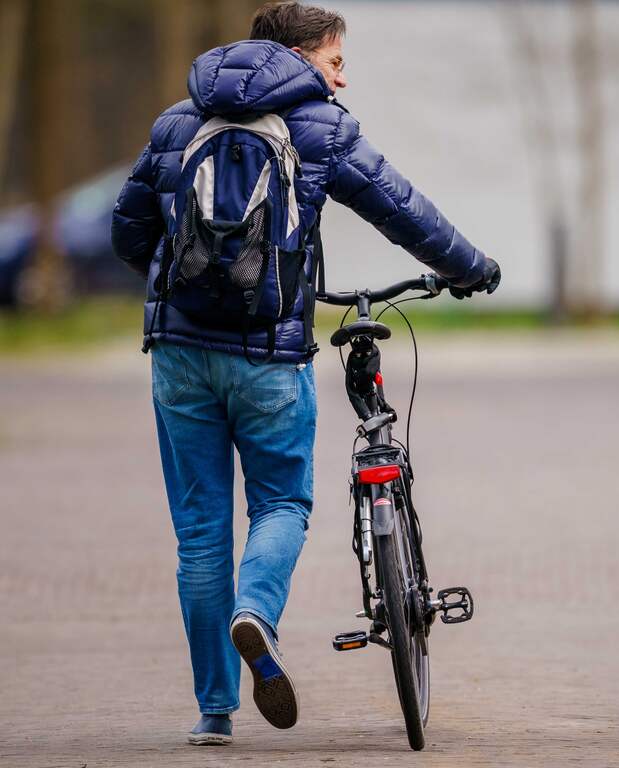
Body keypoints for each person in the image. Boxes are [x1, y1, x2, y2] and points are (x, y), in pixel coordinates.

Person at [111, 1, 500, 746]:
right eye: (335, 59)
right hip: (269, 355)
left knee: (199, 535)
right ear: (295, 56)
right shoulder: (320, 125)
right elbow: (401, 208)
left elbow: (129, 228)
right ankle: (256, 610)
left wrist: (184, 292)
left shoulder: (176, 121)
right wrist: (470, 267)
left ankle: (214, 713)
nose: (342, 75)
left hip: (179, 357)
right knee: (283, 504)